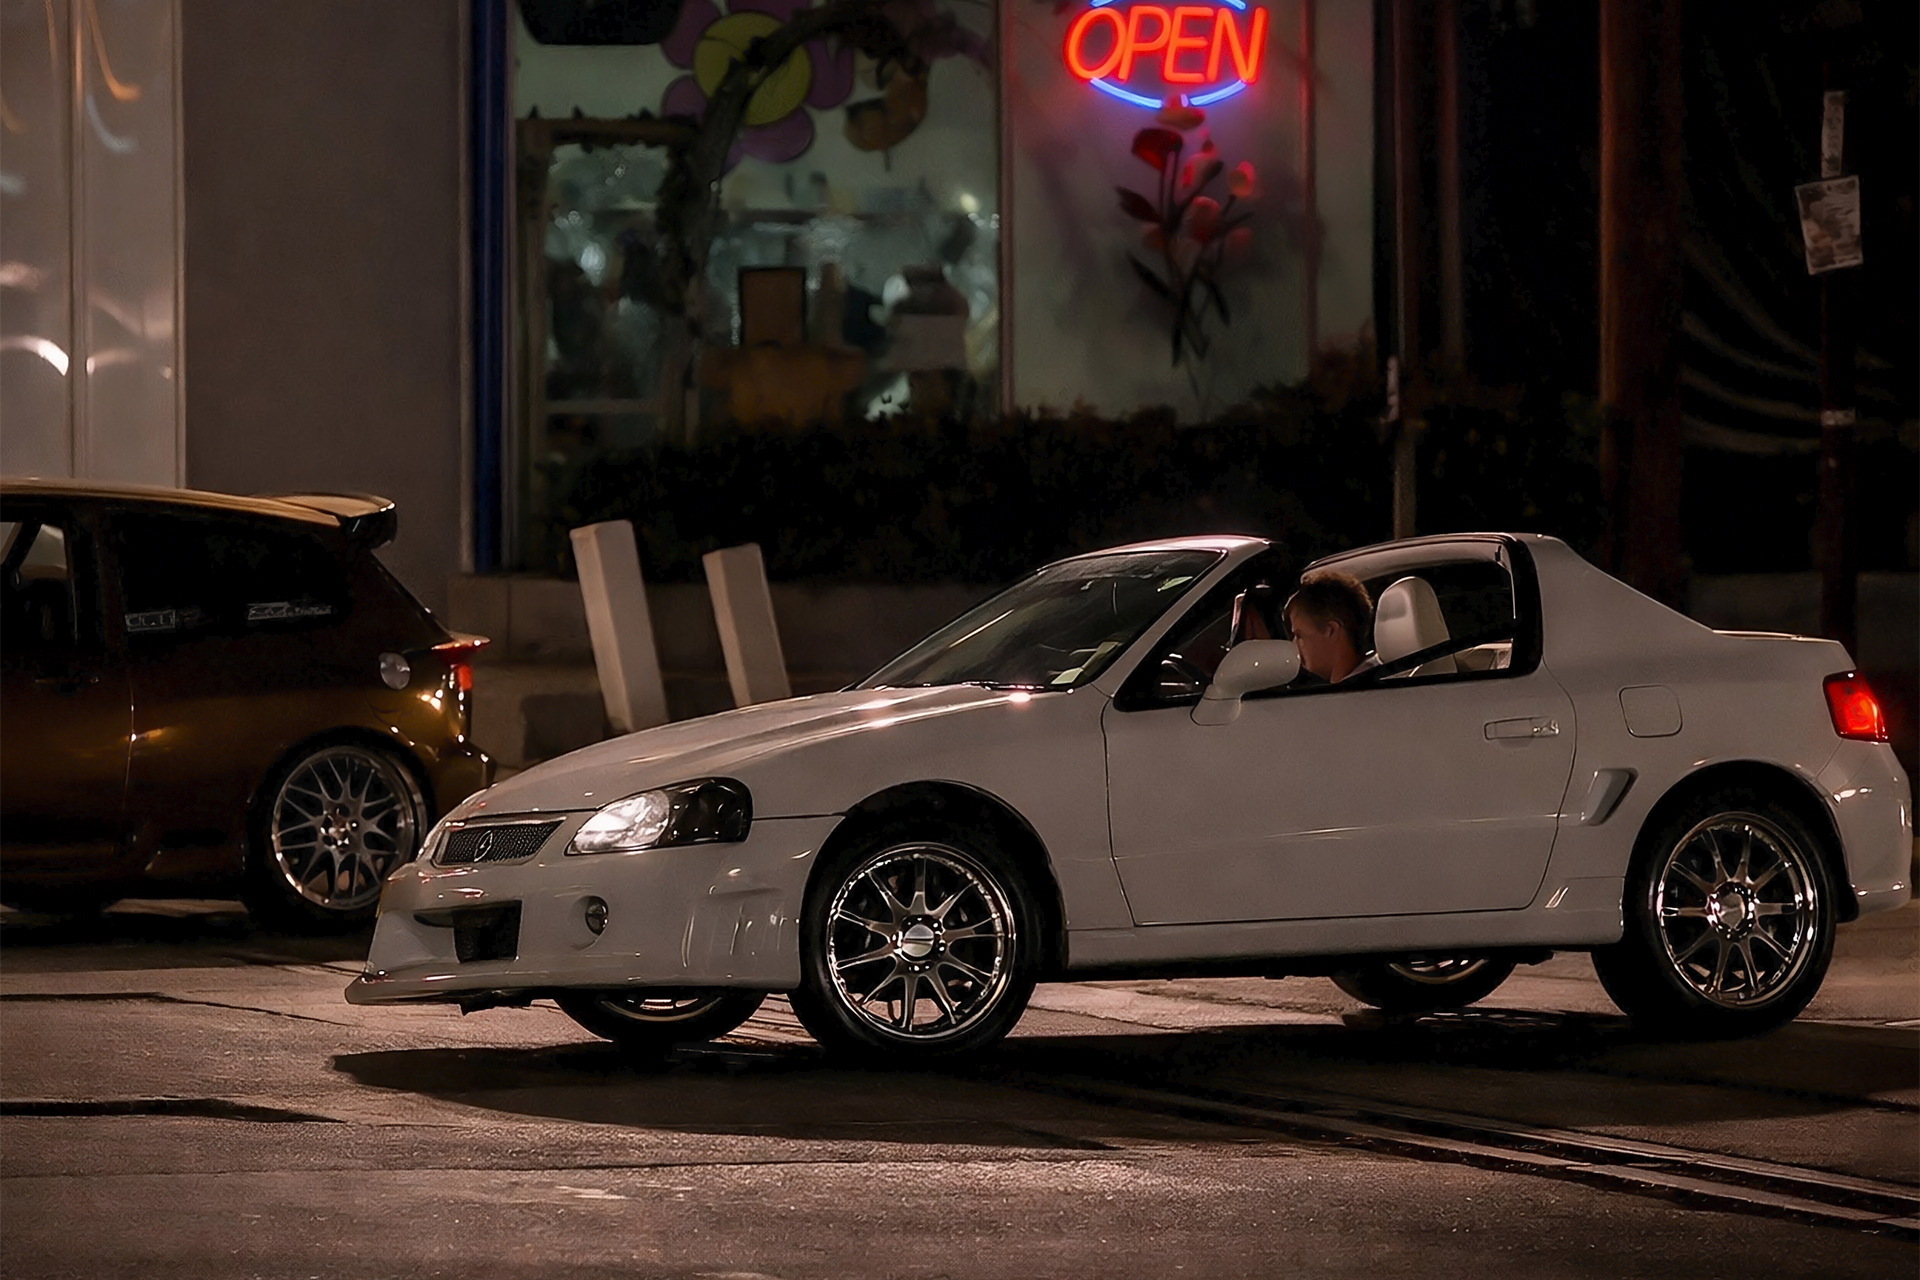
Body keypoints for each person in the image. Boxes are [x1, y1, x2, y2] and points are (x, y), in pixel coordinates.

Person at [1283, 569, 1378, 683]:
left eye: (1299, 635)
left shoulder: (1360, 689)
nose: (1294, 645)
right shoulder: (1371, 679)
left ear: (1331, 630)